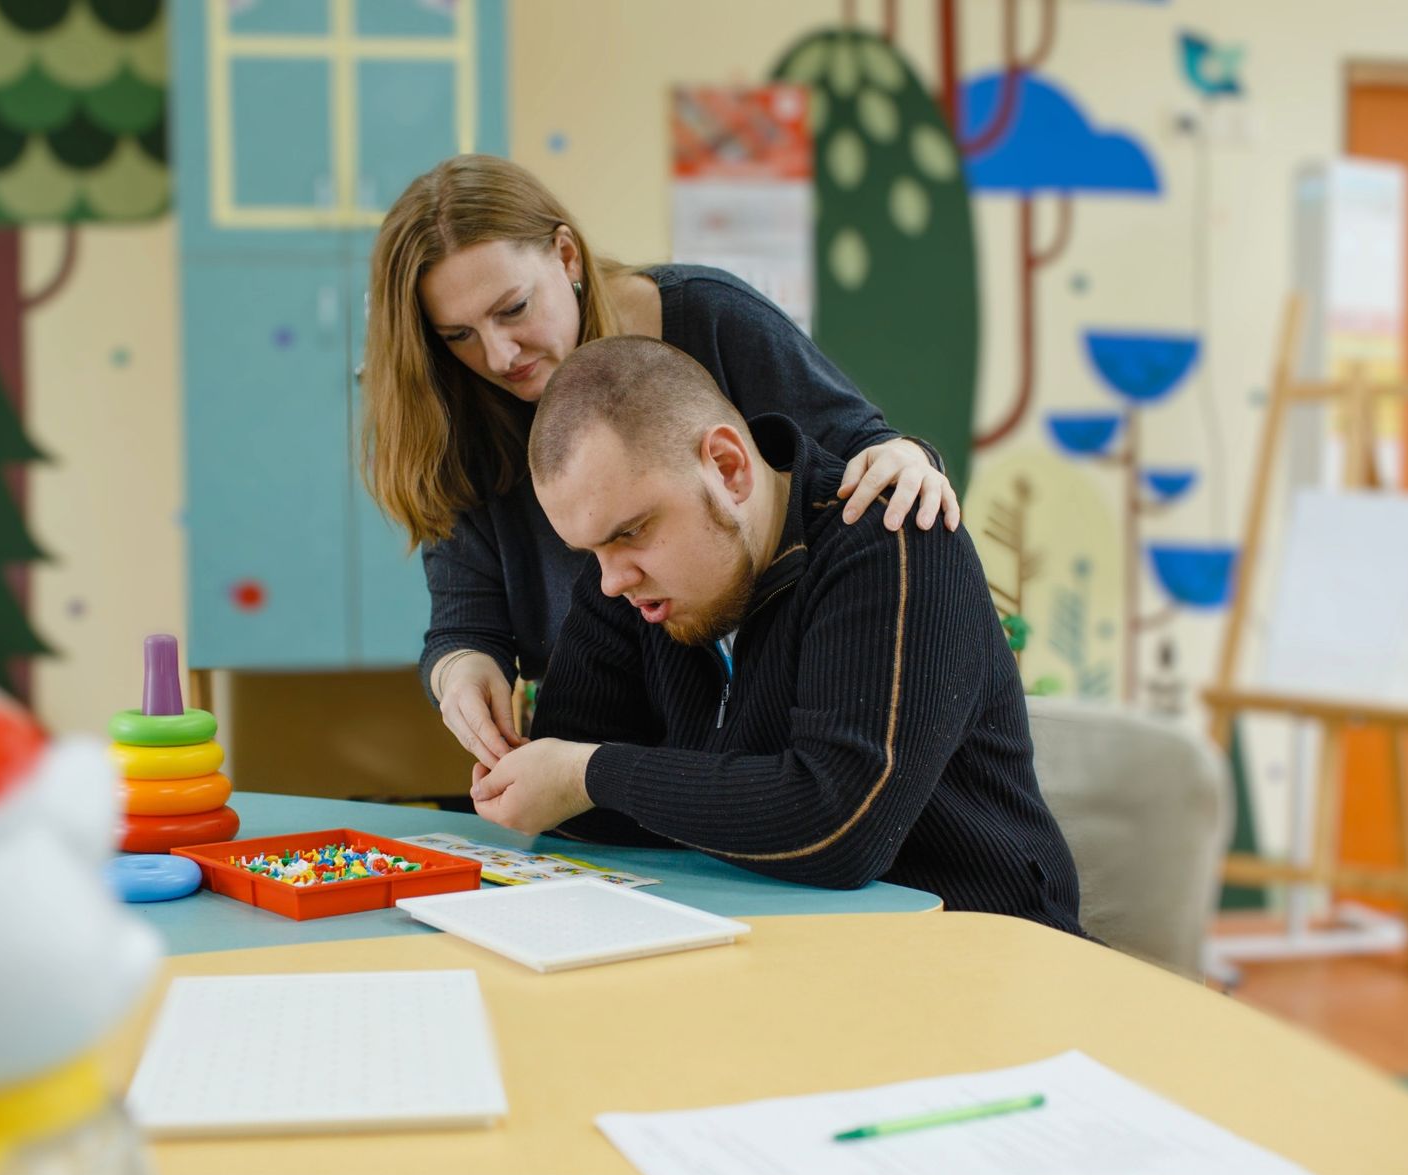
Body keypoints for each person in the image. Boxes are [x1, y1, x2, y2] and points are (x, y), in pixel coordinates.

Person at [465, 336, 1083, 932]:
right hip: (777, 954)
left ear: (728, 469)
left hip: (979, 953)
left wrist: (588, 774)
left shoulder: (892, 537)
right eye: (589, 549)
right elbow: (579, 812)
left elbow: (840, 831)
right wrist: (565, 781)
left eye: (631, 532)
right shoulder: (628, 582)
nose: (610, 581)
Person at [363, 155, 961, 770]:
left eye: (513, 308)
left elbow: (863, 453)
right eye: (457, 335)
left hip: (769, 716)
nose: (498, 354)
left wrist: (908, 458)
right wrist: (462, 672)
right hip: (604, 725)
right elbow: (465, 624)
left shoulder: (710, 317)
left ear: (566, 257)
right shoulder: (449, 410)